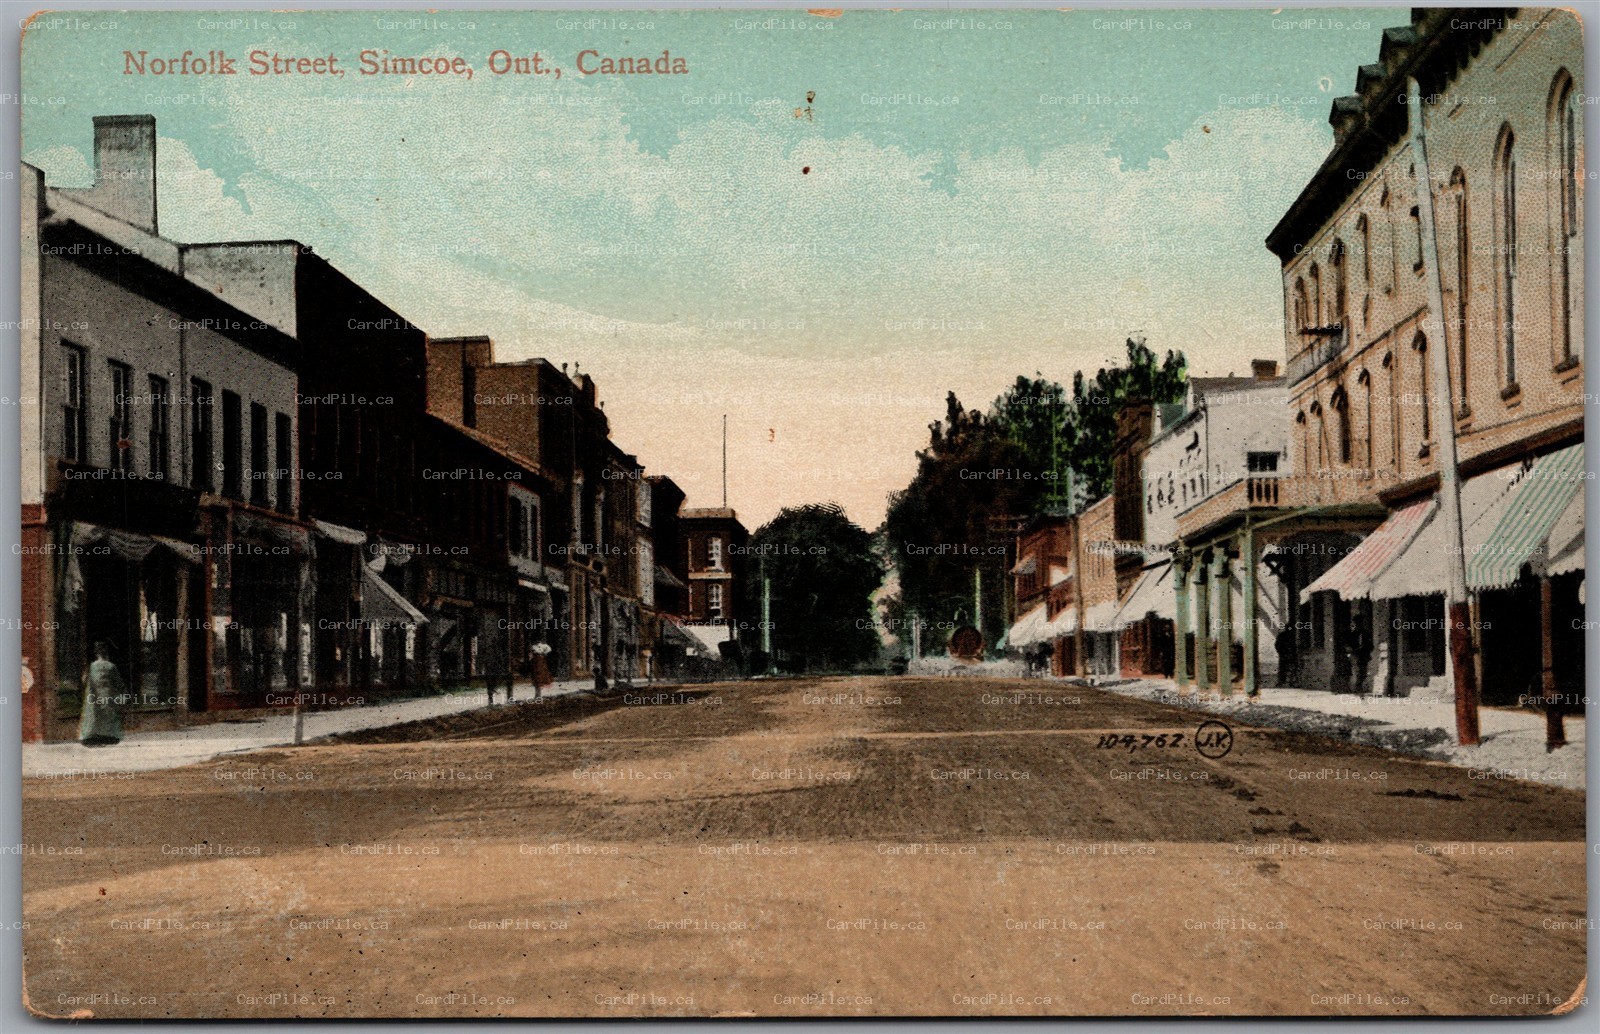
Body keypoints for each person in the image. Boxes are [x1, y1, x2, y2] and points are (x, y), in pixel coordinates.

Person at [79, 641, 127, 747]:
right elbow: (118, 682)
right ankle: (108, 737)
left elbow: (84, 680)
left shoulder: (91, 666)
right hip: (107, 694)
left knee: (93, 716)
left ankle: (91, 737)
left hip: (93, 695)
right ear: (106, 653)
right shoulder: (111, 666)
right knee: (108, 715)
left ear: (97, 653)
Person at [1346, 616, 1372, 696]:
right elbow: (1348, 645)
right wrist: (1351, 650)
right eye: (1356, 623)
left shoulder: (1365, 633)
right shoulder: (1352, 634)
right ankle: (1358, 689)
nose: (1358, 624)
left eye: (1360, 622)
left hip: (1364, 655)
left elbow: (1370, 644)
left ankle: (1358, 688)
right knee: (1358, 672)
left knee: (1363, 673)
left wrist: (1367, 649)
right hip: (1355, 655)